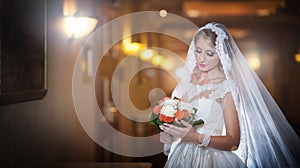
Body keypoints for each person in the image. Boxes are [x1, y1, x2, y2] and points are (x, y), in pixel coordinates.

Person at [159, 22, 300, 168]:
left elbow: (233, 141)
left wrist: (196, 137)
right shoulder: (187, 83)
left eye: (210, 53)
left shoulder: (225, 87)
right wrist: (170, 135)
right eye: (198, 50)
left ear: (221, 54)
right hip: (183, 157)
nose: (202, 58)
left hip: (212, 159)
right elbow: (180, 122)